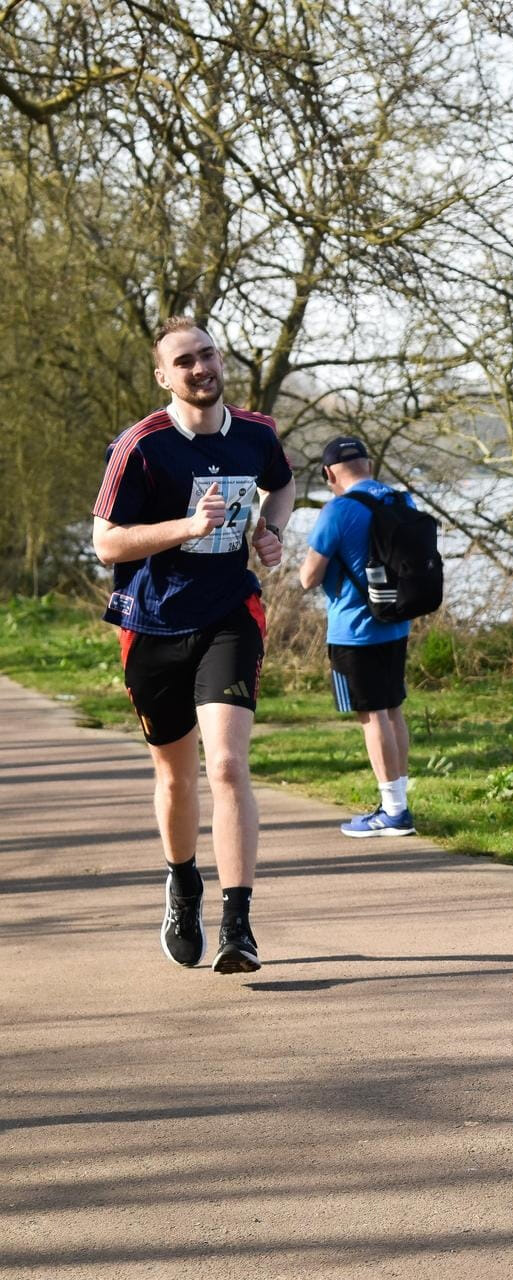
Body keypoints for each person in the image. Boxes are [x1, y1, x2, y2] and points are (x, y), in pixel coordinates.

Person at [92, 317, 295, 974]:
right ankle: (183, 885)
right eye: (185, 361)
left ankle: (239, 925)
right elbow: (106, 543)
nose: (201, 367)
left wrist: (271, 530)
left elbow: (282, 483)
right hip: (152, 623)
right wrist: (186, 526)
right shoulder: (141, 446)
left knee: (228, 766)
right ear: (164, 376)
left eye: (207, 354)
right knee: (176, 777)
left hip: (229, 614)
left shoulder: (256, 434)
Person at [297, 435, 418, 837]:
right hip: (396, 623)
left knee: (373, 715)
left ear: (329, 474)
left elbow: (308, 577)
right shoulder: (401, 500)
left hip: (353, 630)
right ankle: (398, 803)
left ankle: (394, 811)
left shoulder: (338, 510)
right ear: (368, 464)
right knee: (393, 708)